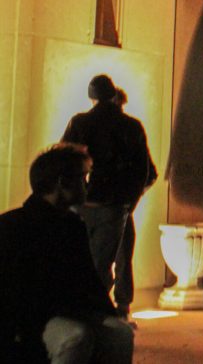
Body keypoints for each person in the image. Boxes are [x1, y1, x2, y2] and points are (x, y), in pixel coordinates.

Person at [0, 144, 134, 363]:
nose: (87, 185)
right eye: (82, 178)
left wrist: (105, 313)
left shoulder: (72, 225)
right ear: (62, 183)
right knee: (75, 336)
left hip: (64, 311)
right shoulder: (13, 226)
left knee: (120, 333)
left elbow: (87, 280)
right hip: (28, 320)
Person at [61, 74, 154, 294]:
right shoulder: (131, 126)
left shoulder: (80, 122)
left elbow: (63, 159)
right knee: (107, 261)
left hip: (84, 201)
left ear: (92, 98)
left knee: (81, 260)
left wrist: (70, 195)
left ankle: (86, 309)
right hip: (115, 203)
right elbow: (144, 170)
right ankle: (105, 309)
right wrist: (129, 202)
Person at [109, 88, 158, 324]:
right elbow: (148, 173)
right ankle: (122, 307)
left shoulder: (90, 125)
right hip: (123, 204)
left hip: (103, 203)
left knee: (105, 257)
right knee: (122, 256)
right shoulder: (132, 127)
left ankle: (108, 307)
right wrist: (132, 199)